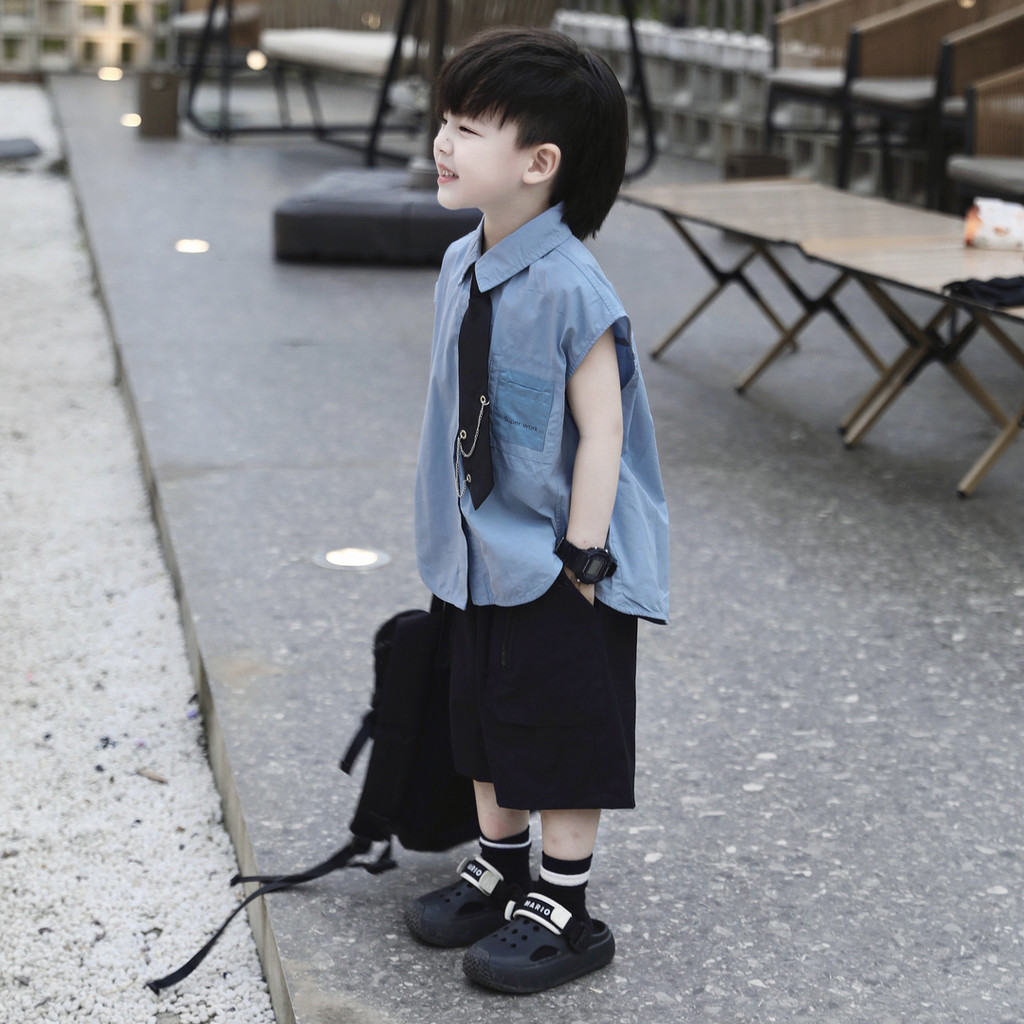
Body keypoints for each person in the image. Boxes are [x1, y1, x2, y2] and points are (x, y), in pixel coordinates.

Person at [407, 26, 670, 995]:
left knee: (559, 727)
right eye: (444, 120)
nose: (443, 141)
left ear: (538, 163)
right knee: (481, 714)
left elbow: (602, 432)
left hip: (557, 558)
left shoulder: (570, 285)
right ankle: (500, 865)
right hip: (475, 549)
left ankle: (565, 903)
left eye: (468, 128)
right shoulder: (461, 262)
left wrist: (584, 559)